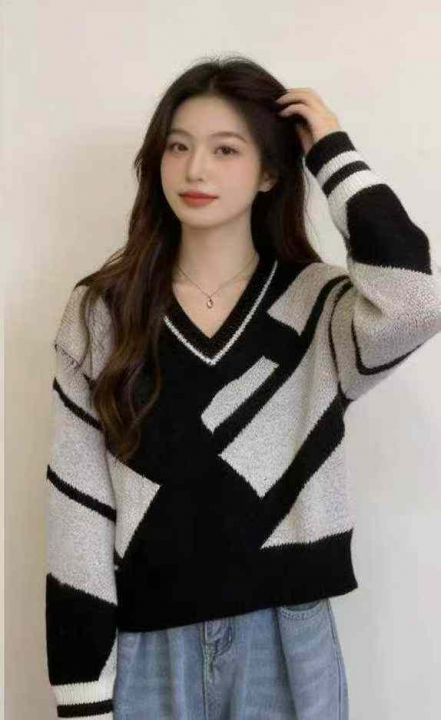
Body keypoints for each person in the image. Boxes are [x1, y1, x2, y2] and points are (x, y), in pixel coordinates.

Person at [44, 56, 441, 720]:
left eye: (225, 149)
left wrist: (332, 153)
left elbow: (415, 302)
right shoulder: (102, 313)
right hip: (148, 646)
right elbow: (77, 513)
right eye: (178, 147)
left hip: (286, 638)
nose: (195, 169)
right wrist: (82, 694)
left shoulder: (319, 308)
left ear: (270, 172)